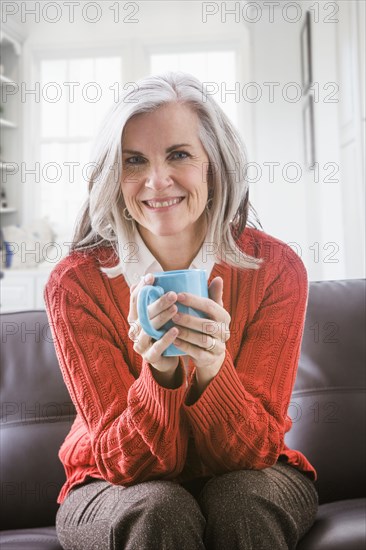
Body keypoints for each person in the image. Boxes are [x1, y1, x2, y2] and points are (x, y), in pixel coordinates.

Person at [44, 71, 318, 550]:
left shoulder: (276, 269)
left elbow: (253, 452)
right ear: (115, 175)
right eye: (134, 161)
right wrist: (162, 375)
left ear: (213, 164)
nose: (156, 181)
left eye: (178, 154)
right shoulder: (76, 284)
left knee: (241, 499)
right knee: (159, 507)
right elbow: (124, 464)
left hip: (253, 476)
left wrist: (213, 369)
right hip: (108, 484)